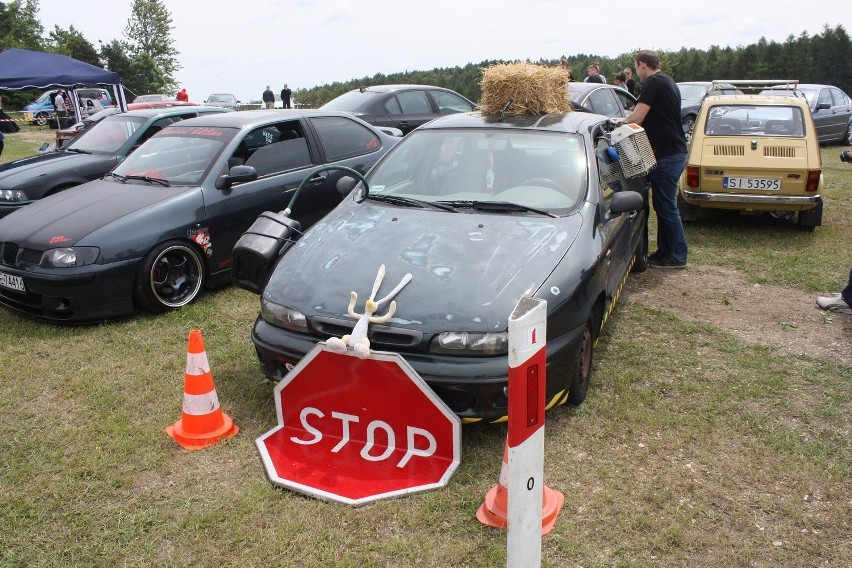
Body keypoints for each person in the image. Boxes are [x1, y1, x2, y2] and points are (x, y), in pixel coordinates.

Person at [625, 49, 688, 269]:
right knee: (663, 205)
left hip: (667, 154)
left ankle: (678, 256)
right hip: (674, 152)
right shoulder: (668, 81)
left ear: (642, 65)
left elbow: (637, 118)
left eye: (636, 67)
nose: (636, 71)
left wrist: (617, 123)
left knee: (667, 206)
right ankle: (665, 253)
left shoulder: (652, 83)